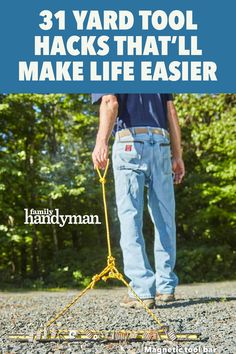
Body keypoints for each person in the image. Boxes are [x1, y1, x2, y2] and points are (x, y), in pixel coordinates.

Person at [91, 94, 185, 309]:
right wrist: (177, 155)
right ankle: (166, 286)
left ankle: (142, 290)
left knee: (130, 217)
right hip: (161, 143)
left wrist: (101, 142)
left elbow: (110, 102)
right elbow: (171, 111)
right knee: (165, 218)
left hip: (129, 143)